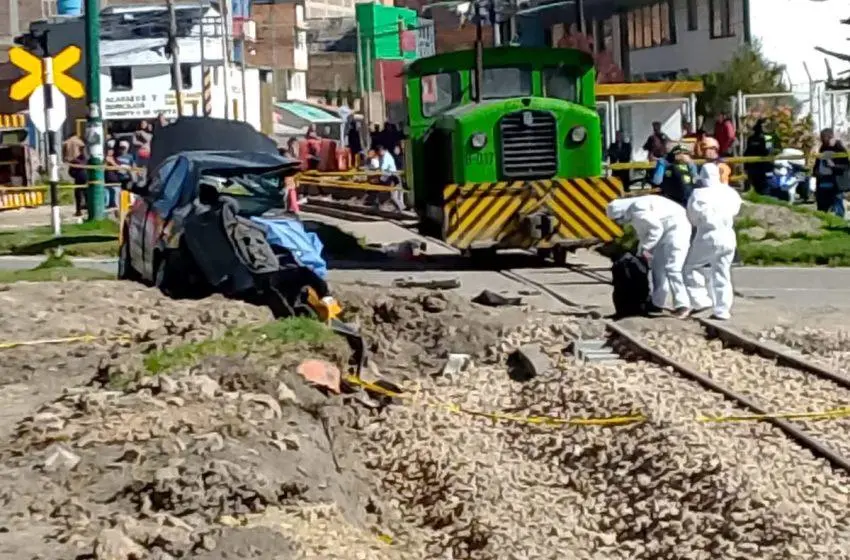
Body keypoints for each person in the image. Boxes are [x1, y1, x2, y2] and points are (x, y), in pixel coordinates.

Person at [606, 194, 692, 317]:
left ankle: (683, 305)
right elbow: (644, 234)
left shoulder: (638, 209)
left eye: (617, 219)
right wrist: (641, 251)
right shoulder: (634, 212)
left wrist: (645, 248)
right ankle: (657, 303)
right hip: (666, 230)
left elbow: (656, 230)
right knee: (658, 269)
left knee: (673, 268)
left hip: (677, 229)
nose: (619, 222)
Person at [683, 163, 742, 320]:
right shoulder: (730, 192)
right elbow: (736, 210)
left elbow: (692, 217)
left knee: (690, 267)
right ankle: (722, 310)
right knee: (722, 272)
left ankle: (701, 300)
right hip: (728, 234)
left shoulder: (698, 194)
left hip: (707, 234)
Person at [814, 128, 849, 216]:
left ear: (830, 137)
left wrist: (834, 166)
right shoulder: (822, 148)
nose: (822, 140)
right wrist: (816, 171)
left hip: (836, 182)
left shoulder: (840, 149)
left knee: (837, 204)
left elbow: (846, 166)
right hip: (822, 181)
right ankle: (822, 218)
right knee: (822, 205)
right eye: (821, 138)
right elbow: (818, 162)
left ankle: (838, 220)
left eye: (824, 138)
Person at [744, 118, 779, 195]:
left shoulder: (755, 138)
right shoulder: (765, 138)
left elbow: (769, 152)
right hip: (758, 169)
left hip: (759, 169)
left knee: (760, 191)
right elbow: (768, 152)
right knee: (761, 191)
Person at [375, 144, 406, 211]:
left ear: (380, 150)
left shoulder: (386, 156)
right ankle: (400, 208)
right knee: (393, 194)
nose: (379, 154)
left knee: (393, 195)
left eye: (378, 153)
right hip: (391, 177)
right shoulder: (385, 156)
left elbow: (383, 168)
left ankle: (401, 207)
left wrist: (378, 172)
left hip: (392, 177)